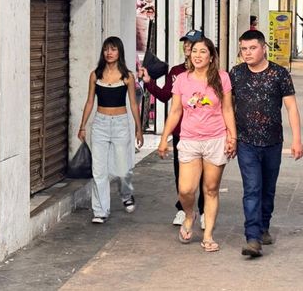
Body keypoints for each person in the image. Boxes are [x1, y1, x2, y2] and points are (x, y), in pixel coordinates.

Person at [157, 37, 237, 252]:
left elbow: (227, 109)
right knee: (185, 189)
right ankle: (189, 215)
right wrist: (164, 138)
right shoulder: (182, 79)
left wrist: (232, 137)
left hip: (215, 139)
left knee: (211, 189)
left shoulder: (222, 78)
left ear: (211, 57)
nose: (198, 55)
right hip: (189, 139)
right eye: (194, 51)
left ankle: (208, 235)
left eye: (203, 52)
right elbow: (175, 111)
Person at [230, 30, 303, 257]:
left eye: (252, 48)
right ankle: (252, 237)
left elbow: (291, 107)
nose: (248, 53)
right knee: (252, 188)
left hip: (273, 142)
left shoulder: (279, 74)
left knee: (268, 189)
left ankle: (263, 227)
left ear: (264, 48)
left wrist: (297, 139)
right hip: (246, 142)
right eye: (244, 49)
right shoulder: (236, 73)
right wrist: (229, 135)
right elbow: (227, 106)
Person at [139, 29, 206, 227]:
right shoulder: (176, 72)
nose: (187, 47)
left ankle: (203, 210)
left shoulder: (209, 71)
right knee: (181, 173)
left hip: (204, 132)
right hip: (181, 132)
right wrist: (149, 83)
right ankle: (184, 209)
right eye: (185, 43)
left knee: (204, 174)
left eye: (191, 44)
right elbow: (164, 96)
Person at [78, 36, 144, 224]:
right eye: (106, 49)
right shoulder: (95, 75)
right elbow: (90, 101)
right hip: (100, 123)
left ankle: (126, 194)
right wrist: (83, 126)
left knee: (122, 167)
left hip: (121, 124)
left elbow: (133, 103)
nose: (109, 53)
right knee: (99, 169)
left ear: (119, 52)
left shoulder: (127, 76)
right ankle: (100, 211)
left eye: (113, 49)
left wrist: (138, 128)